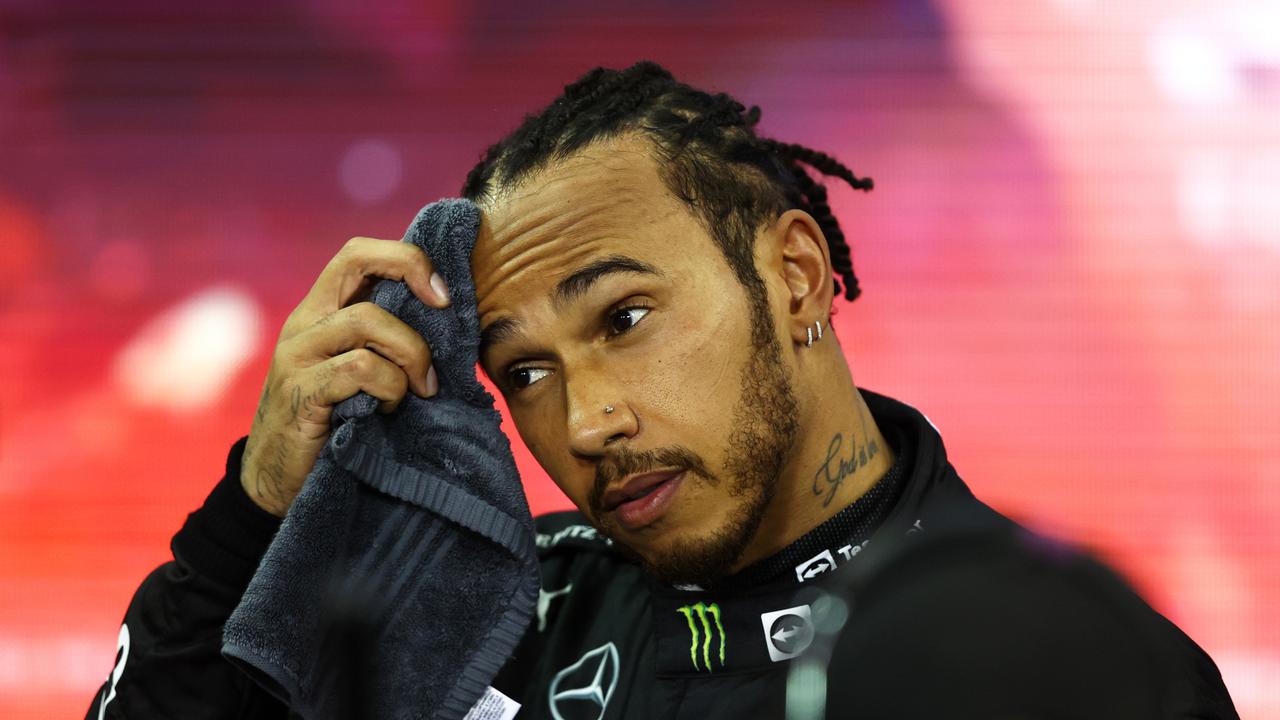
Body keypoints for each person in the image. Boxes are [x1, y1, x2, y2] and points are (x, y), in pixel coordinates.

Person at [87, 62, 1237, 719]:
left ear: (794, 277)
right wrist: (253, 510)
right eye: (523, 372)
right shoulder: (482, 619)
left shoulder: (1034, 659)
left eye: (624, 319)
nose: (584, 424)